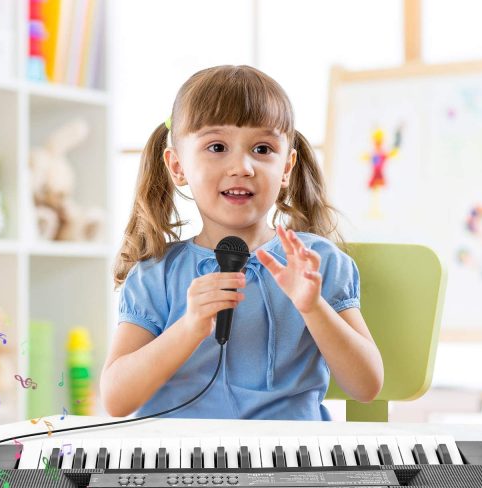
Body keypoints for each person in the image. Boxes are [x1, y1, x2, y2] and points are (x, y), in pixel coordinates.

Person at [101, 65, 383, 420]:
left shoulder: (318, 262)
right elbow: (116, 398)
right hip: (181, 462)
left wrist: (313, 307)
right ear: (177, 167)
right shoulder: (156, 273)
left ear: (286, 168)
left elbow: (367, 386)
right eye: (217, 147)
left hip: (291, 461)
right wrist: (188, 328)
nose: (242, 166)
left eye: (263, 149)